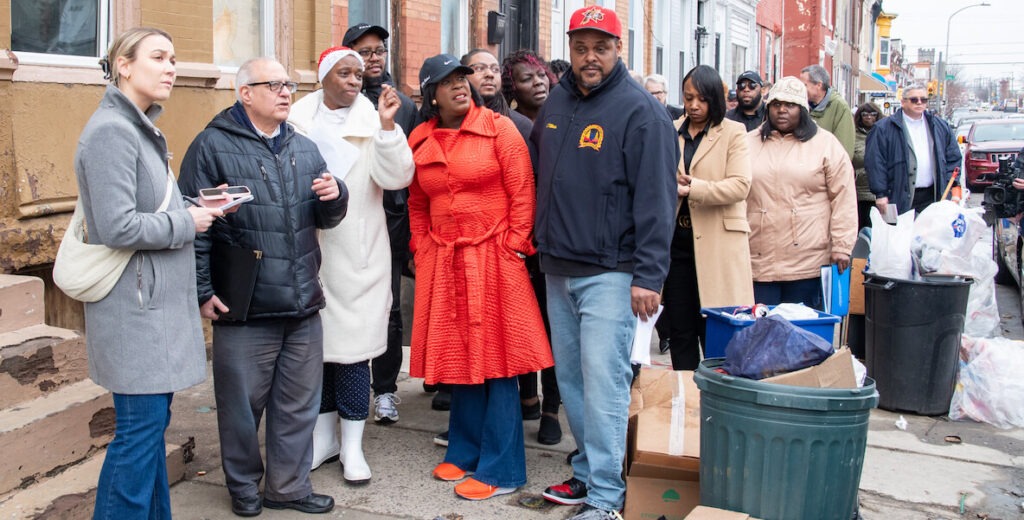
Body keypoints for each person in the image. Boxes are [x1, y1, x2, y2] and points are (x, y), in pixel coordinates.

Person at [178, 57, 347, 517]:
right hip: (245, 302)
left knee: (297, 407)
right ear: (244, 93)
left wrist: (338, 195)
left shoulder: (304, 147)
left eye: (288, 83)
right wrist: (201, 289)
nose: (285, 91)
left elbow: (326, 215)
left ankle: (288, 488)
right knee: (240, 409)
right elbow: (195, 226)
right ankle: (244, 486)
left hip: (301, 302)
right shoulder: (211, 146)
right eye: (272, 84)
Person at [531, 6, 679, 519]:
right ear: (570, 49)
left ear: (619, 50)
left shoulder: (641, 112)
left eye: (601, 47)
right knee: (572, 383)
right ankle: (587, 474)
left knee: (605, 385)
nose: (589, 57)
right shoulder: (558, 100)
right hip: (559, 267)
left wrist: (649, 275)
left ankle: (607, 500)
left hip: (612, 274)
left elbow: (659, 201)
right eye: (581, 47)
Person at [77, 27, 221, 519]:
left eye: (175, 58)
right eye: (158, 57)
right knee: (137, 438)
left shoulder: (136, 128)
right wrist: (188, 221)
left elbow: (142, 206)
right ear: (124, 65)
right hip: (134, 311)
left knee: (149, 430)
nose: (171, 67)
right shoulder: (111, 132)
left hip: (148, 308)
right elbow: (116, 225)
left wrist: (198, 206)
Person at [407, 54, 554, 501]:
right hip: (444, 260)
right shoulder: (420, 138)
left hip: (493, 258)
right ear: (431, 94)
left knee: (497, 362)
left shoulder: (499, 128)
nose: (460, 86)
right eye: (448, 82)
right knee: (458, 357)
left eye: (462, 79)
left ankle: (502, 467)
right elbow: (416, 201)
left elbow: (522, 190)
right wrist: (420, 245)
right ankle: (465, 449)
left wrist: (512, 244)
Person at [288, 46, 414, 484]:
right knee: (318, 353)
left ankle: (354, 447)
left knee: (354, 355)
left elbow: (397, 178)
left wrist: (386, 129)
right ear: (322, 77)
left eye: (358, 74)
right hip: (311, 252)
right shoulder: (297, 121)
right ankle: (324, 440)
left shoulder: (371, 119)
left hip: (360, 253)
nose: (354, 80)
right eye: (344, 73)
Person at [342, 22, 421, 425]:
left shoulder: (404, 105)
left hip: (391, 223)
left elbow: (413, 170)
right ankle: (342, 390)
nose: (373, 59)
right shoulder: (338, 101)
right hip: (347, 219)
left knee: (389, 308)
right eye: (364, 51)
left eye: (379, 51)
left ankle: (385, 390)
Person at [663, 65, 754, 371]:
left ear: (715, 99)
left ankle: (717, 403)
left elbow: (741, 184)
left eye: (701, 99)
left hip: (719, 244)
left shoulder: (733, 132)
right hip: (677, 244)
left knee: (717, 333)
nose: (693, 105)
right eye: (688, 97)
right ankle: (686, 401)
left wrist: (694, 189)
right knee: (680, 330)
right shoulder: (671, 128)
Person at [746, 77, 856, 309]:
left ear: (803, 109)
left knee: (801, 337)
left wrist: (842, 246)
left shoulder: (826, 145)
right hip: (757, 259)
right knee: (760, 336)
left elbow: (843, 198)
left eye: (790, 105)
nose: (782, 110)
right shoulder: (748, 143)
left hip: (807, 261)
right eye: (776, 104)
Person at [501, 48, 564, 445]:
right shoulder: (511, 128)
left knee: (554, 325)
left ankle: (550, 409)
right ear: (513, 90)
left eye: (541, 74)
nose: (538, 81)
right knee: (524, 323)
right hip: (521, 239)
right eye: (527, 78)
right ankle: (526, 395)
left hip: (557, 238)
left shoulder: (564, 118)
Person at [865, 84, 962, 217]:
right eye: (914, 99)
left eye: (924, 99)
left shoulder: (940, 126)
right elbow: (875, 162)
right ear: (903, 102)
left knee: (930, 236)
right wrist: (880, 194)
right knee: (895, 235)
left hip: (932, 196)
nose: (919, 103)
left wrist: (949, 187)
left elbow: (953, 157)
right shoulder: (882, 129)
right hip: (895, 197)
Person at [799, 64, 855, 158]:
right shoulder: (800, 105)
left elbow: (844, 148)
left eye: (804, 85)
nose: (800, 89)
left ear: (818, 85)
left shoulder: (840, 107)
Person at [852, 102, 883, 229]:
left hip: (881, 191)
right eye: (865, 114)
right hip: (859, 190)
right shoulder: (853, 134)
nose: (869, 117)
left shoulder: (883, 132)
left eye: (873, 114)